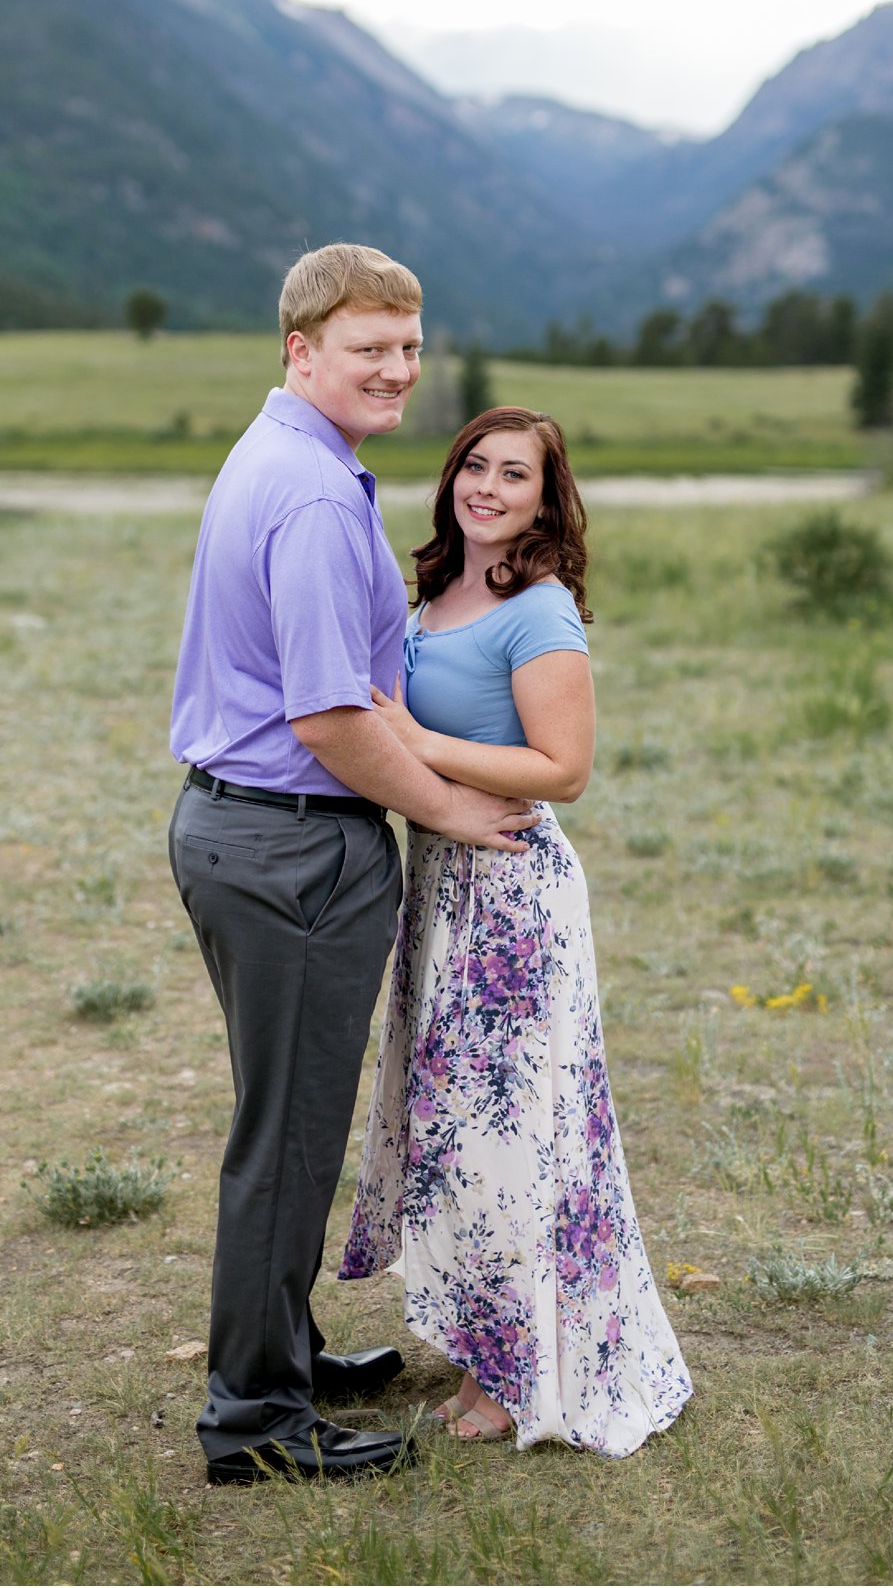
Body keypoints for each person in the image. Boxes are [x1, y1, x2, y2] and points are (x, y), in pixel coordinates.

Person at [169, 244, 541, 1486]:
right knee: (287, 1140)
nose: (397, 366)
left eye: (409, 343)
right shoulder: (321, 496)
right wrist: (448, 806)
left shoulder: (280, 455)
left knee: (283, 1122)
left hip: (244, 834)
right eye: (368, 345)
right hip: (292, 851)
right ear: (300, 348)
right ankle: (255, 1420)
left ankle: (284, 1354)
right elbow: (332, 718)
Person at [337, 406, 694, 1454]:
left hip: (511, 899)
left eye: (514, 474)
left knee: (509, 1137)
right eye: (474, 466)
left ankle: (514, 1377)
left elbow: (564, 771)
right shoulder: (441, 590)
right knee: (456, 1133)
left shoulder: (539, 611)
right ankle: (493, 1342)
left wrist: (413, 736)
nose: (488, 487)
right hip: (440, 881)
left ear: (546, 498)